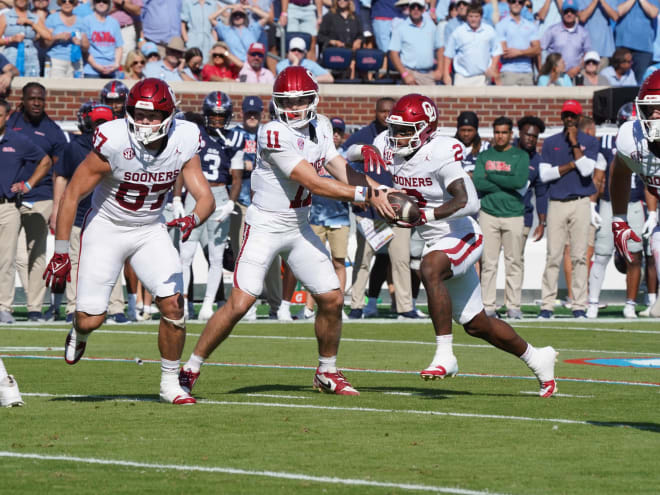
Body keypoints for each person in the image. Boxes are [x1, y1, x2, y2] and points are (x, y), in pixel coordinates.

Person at [178, 66, 396, 396]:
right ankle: (190, 368)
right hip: (265, 224)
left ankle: (327, 371)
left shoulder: (321, 126)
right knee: (240, 303)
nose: (294, 107)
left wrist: (380, 188)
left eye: (301, 100)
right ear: (277, 103)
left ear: (313, 99)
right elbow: (313, 182)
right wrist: (367, 195)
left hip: (299, 225)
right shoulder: (272, 133)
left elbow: (338, 167)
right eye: (287, 101)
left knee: (331, 297)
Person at [348, 93, 558, 397]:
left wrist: (427, 214)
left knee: (429, 267)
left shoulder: (440, 152)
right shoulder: (387, 143)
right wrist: (365, 151)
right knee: (477, 324)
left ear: (427, 128)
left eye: (407, 130)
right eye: (396, 129)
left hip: (461, 234)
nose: (398, 136)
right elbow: (346, 155)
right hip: (435, 238)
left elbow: (469, 201)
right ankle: (539, 358)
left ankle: (445, 355)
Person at [43, 78, 215, 405]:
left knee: (173, 306)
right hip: (106, 228)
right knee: (92, 317)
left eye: (152, 116)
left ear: (168, 115)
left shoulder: (184, 138)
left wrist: (193, 218)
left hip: (150, 228)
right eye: (138, 113)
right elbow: (71, 196)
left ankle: (169, 384)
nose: (145, 122)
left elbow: (205, 197)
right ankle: (79, 332)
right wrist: (61, 251)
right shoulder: (114, 139)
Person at [52, 101, 130, 323]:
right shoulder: (75, 147)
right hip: (84, 215)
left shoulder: (114, 148)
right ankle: (81, 307)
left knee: (100, 262)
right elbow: (61, 177)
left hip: (104, 215)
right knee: (80, 261)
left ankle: (110, 306)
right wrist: (57, 208)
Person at [341, 97, 416, 319]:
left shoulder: (404, 135)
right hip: (369, 209)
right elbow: (344, 161)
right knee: (363, 260)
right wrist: (355, 192)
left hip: (397, 209)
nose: (386, 115)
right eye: (382, 111)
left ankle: (405, 308)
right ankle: (356, 305)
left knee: (401, 260)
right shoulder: (364, 136)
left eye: (389, 112)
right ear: (375, 112)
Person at [179, 91, 243, 322]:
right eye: (213, 116)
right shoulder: (194, 135)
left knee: (216, 257)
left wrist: (231, 203)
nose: (217, 120)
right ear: (206, 115)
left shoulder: (234, 139)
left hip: (219, 194)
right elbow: (182, 168)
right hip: (195, 194)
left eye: (221, 115)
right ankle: (184, 304)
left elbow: (236, 178)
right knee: (185, 253)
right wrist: (178, 198)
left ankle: (207, 306)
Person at [8, 83, 66, 321]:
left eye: (40, 99)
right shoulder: (10, 123)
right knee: (13, 254)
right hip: (11, 199)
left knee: (37, 254)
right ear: (22, 99)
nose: (36, 103)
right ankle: (5, 306)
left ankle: (34, 307)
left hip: (42, 198)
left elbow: (60, 171)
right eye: (32, 98)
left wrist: (57, 207)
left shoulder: (52, 131)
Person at [537, 99, 599, 319]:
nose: (569, 119)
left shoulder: (590, 141)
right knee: (553, 255)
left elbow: (586, 171)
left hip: (581, 201)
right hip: (557, 202)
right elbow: (544, 175)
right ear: (562, 117)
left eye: (573, 116)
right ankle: (547, 305)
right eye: (566, 115)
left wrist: (574, 144)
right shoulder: (551, 141)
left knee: (580, 256)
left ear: (579, 117)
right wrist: (571, 164)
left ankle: (579, 305)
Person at [586, 104, 645, 318]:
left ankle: (630, 303)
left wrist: (653, 211)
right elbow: (599, 176)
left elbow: (648, 180)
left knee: (634, 256)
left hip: (634, 201)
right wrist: (593, 204)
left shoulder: (647, 141)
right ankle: (592, 302)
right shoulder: (608, 142)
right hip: (610, 203)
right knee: (601, 254)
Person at [609, 72, 660, 317]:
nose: (654, 116)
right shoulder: (631, 138)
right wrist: (619, 219)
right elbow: (618, 172)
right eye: (650, 109)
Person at [0, 99, 52, 325]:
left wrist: (27, 185)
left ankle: (3, 307)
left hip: (7, 206)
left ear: (7, 116)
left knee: (5, 259)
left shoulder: (18, 140)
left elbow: (45, 161)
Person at [473, 116, 530, 319]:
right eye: (497, 132)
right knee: (489, 263)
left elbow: (520, 180)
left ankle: (513, 306)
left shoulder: (521, 156)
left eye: (504, 132)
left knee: (514, 262)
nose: (500, 136)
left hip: (514, 214)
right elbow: (478, 182)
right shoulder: (484, 156)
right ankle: (488, 306)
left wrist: (493, 178)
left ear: (510, 134)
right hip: (488, 213)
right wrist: (507, 181)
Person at [297, 116, 352, 320]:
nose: (336, 135)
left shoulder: (345, 156)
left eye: (339, 132)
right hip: (315, 215)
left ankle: (338, 306)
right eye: (333, 132)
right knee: (314, 262)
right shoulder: (313, 153)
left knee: (339, 262)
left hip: (340, 217)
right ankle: (309, 306)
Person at [516, 115, 549, 273]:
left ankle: (513, 299)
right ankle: (487, 298)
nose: (531, 139)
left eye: (534, 136)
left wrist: (542, 223)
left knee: (516, 260)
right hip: (497, 213)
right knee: (490, 260)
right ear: (519, 133)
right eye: (527, 134)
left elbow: (541, 194)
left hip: (523, 217)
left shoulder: (538, 161)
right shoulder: (506, 152)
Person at [444, 3, 502, 86]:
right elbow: (448, 54)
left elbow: (496, 51)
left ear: (481, 17)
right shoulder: (458, 32)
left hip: (483, 78)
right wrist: (446, 75)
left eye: (476, 16)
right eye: (471, 16)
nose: (473, 19)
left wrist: (492, 67)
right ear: (467, 16)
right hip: (462, 78)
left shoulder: (489, 31)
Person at [389, 0, 443, 86]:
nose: (416, 9)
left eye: (419, 7)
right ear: (409, 9)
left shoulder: (431, 26)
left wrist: (440, 70)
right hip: (410, 75)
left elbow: (440, 47)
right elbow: (393, 53)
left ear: (423, 9)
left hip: (429, 74)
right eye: (413, 7)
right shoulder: (400, 28)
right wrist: (404, 74)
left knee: (429, 100)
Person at [541, 0, 592, 80]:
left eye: (572, 11)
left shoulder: (583, 33)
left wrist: (578, 68)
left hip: (576, 75)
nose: (569, 14)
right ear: (562, 12)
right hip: (555, 75)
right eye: (566, 11)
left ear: (576, 13)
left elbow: (587, 54)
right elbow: (541, 50)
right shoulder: (552, 30)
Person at [0, 0, 52, 77]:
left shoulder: (34, 18)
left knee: (31, 83)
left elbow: (48, 36)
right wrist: (11, 39)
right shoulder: (5, 17)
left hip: (31, 56)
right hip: (11, 56)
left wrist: (31, 23)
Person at [496, 0, 541, 86]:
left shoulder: (531, 26)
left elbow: (537, 50)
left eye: (520, 2)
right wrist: (529, 51)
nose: (517, 4)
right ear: (508, 3)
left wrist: (519, 52)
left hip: (527, 73)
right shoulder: (501, 25)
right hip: (508, 72)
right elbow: (505, 53)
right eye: (513, 1)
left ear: (523, 5)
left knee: (529, 99)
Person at [613, 0, 659, 84]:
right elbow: (618, 12)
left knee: (639, 83)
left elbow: (653, 13)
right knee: (618, 80)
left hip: (644, 48)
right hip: (622, 44)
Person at [80, 0, 124, 78]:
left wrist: (116, 65)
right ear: (94, 3)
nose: (101, 3)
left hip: (111, 69)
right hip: (92, 70)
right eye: (98, 1)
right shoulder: (86, 21)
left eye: (105, 1)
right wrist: (96, 65)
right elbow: (85, 49)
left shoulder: (114, 22)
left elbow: (119, 47)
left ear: (109, 4)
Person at [44, 0, 85, 78]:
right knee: (56, 88)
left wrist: (80, 42)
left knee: (76, 88)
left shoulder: (81, 20)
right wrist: (57, 37)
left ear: (75, 4)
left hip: (76, 61)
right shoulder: (52, 18)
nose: (67, 3)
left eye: (71, 1)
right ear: (60, 3)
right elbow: (45, 43)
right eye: (64, 1)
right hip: (56, 60)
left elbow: (86, 46)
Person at [577, 0, 618, 66]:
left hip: (604, 51)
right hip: (584, 51)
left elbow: (615, 17)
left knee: (602, 76)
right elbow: (582, 17)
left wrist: (603, 2)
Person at [454, 110, 489, 175]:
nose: (466, 134)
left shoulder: (485, 148)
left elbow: (490, 173)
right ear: (458, 130)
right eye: (463, 130)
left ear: (476, 131)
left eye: (470, 130)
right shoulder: (449, 148)